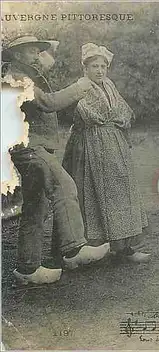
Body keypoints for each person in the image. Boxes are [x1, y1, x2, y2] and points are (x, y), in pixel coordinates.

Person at [3, 36, 110, 285]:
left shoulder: (23, 75)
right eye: (31, 51)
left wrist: (49, 48)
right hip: (30, 147)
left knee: (35, 206)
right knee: (64, 186)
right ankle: (75, 250)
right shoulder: (16, 78)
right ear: (17, 55)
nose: (37, 56)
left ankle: (27, 269)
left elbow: (48, 66)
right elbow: (50, 104)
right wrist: (82, 85)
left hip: (27, 147)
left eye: (38, 52)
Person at [62, 43, 150, 263]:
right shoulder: (81, 86)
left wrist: (116, 120)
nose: (99, 70)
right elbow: (91, 114)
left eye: (103, 66)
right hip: (90, 144)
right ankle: (89, 247)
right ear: (85, 68)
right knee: (92, 192)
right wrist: (110, 119)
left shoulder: (109, 85)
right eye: (94, 66)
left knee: (121, 190)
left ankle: (124, 246)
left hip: (115, 143)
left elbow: (123, 111)